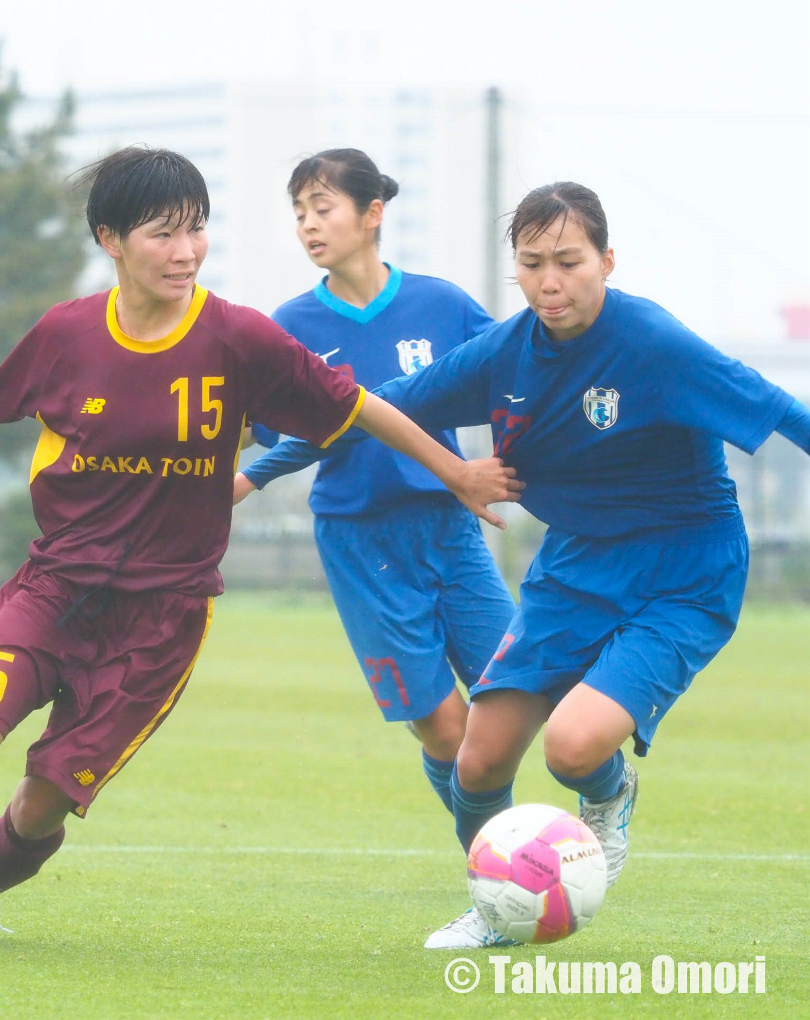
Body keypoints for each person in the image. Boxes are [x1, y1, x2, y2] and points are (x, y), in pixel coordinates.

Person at [0, 147, 520, 945]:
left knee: (44, 797)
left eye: (197, 231)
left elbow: (360, 409)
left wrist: (455, 472)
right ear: (110, 238)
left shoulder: (240, 338)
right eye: (163, 234)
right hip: (57, 587)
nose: (185, 252)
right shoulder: (67, 333)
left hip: (163, 618)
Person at [237, 181, 810, 949]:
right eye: (533, 263)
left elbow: (781, 411)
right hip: (573, 567)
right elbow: (374, 408)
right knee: (477, 763)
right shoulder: (507, 352)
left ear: (607, 261)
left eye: (569, 262)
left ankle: (609, 798)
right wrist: (251, 469)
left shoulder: (654, 343)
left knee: (572, 748)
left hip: (684, 571)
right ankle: (499, 905)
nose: (550, 281)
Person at [245, 149, 516, 816]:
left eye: (322, 208)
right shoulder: (290, 329)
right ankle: (494, 855)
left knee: (515, 695)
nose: (308, 224)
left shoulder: (442, 305)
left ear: (372, 214)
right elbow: (271, 435)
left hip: (449, 530)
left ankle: (567, 814)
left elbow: (515, 381)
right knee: (447, 730)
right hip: (361, 541)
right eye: (299, 213)